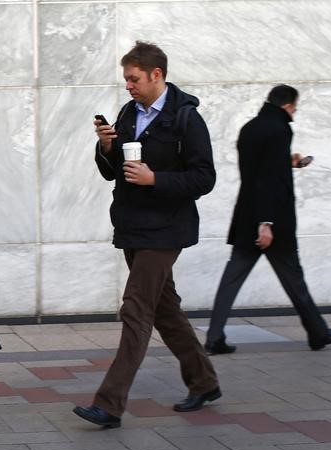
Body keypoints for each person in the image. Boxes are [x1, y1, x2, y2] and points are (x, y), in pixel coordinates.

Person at [73, 41, 221, 429]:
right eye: (126, 79)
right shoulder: (128, 113)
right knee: (164, 309)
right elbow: (112, 171)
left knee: (136, 308)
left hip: (167, 228)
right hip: (133, 225)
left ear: (157, 75)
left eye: (134, 79)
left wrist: (156, 179)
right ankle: (204, 381)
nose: (129, 86)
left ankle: (109, 404)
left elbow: (205, 177)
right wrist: (107, 147)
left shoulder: (187, 118)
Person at [204, 84, 331, 355]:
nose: (295, 112)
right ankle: (319, 333)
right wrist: (266, 223)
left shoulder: (250, 128)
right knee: (294, 279)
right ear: (286, 106)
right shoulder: (280, 129)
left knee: (232, 279)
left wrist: (288, 162)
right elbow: (267, 179)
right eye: (295, 107)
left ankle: (214, 337)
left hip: (247, 215)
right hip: (271, 222)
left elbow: (259, 170)